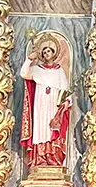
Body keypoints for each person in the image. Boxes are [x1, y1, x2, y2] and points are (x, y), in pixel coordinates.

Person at [19, 32, 70, 168]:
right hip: (40, 102)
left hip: (53, 102)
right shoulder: (36, 69)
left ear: (54, 53)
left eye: (49, 51)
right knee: (40, 128)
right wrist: (29, 60)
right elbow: (24, 73)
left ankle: (52, 156)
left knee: (51, 128)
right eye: (44, 52)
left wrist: (67, 101)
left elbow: (66, 90)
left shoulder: (59, 71)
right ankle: (39, 158)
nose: (47, 53)